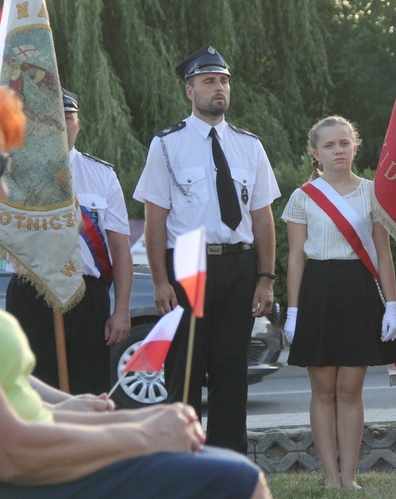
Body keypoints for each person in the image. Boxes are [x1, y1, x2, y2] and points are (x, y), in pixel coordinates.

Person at [0, 57, 270, 499]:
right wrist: (142, 433)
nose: (2, 191)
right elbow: (5, 447)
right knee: (234, 479)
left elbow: (4, 390)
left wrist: (93, 411)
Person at [133, 43, 280, 454]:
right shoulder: (166, 144)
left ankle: (229, 463)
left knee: (232, 370)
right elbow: (156, 219)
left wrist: (265, 278)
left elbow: (262, 217)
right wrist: (161, 281)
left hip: (239, 264)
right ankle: (183, 461)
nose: (219, 88)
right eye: (209, 81)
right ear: (189, 90)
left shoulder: (249, 145)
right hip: (188, 265)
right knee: (185, 369)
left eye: (224, 81)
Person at [281, 116, 396, 489]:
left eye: (345, 143)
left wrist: (393, 306)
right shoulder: (303, 197)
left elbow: (383, 255)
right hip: (318, 292)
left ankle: (350, 477)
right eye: (330, 145)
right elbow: (296, 257)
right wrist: (292, 311)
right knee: (324, 391)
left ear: (355, 146)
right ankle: (330, 477)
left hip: (358, 293)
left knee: (351, 390)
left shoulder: (373, 192)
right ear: (315, 153)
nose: (339, 150)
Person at [6, 88, 133, 395]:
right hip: (31, 290)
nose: (62, 126)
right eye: (54, 119)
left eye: (69, 118)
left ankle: (88, 444)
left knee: (89, 386)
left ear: (79, 123)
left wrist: (122, 310)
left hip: (86, 295)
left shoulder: (102, 175)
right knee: (32, 388)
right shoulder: (12, 172)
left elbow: (119, 249)